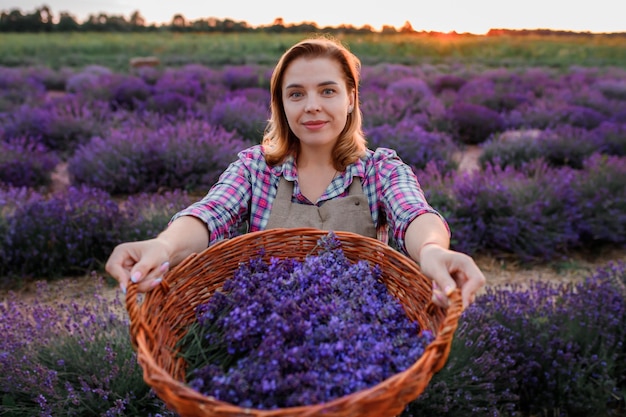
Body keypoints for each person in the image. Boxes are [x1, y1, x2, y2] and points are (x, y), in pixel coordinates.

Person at [105, 35, 486, 309]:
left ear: (351, 98)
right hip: (267, 328)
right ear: (281, 105)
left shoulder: (380, 171)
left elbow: (414, 215)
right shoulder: (257, 168)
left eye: (328, 91)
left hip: (359, 332)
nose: (312, 107)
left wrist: (433, 252)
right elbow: (211, 214)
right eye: (296, 94)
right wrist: (164, 246)